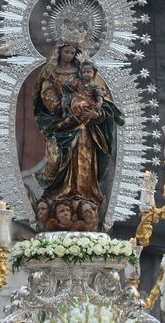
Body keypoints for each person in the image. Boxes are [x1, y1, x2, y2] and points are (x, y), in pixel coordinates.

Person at [33, 43, 124, 232]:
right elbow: (46, 96)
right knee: (56, 160)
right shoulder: (50, 74)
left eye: (73, 52)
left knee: (84, 162)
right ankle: (58, 194)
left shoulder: (85, 73)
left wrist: (94, 113)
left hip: (84, 129)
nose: (69, 55)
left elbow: (103, 103)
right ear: (59, 52)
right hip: (60, 127)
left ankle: (83, 196)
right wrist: (61, 107)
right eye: (66, 52)